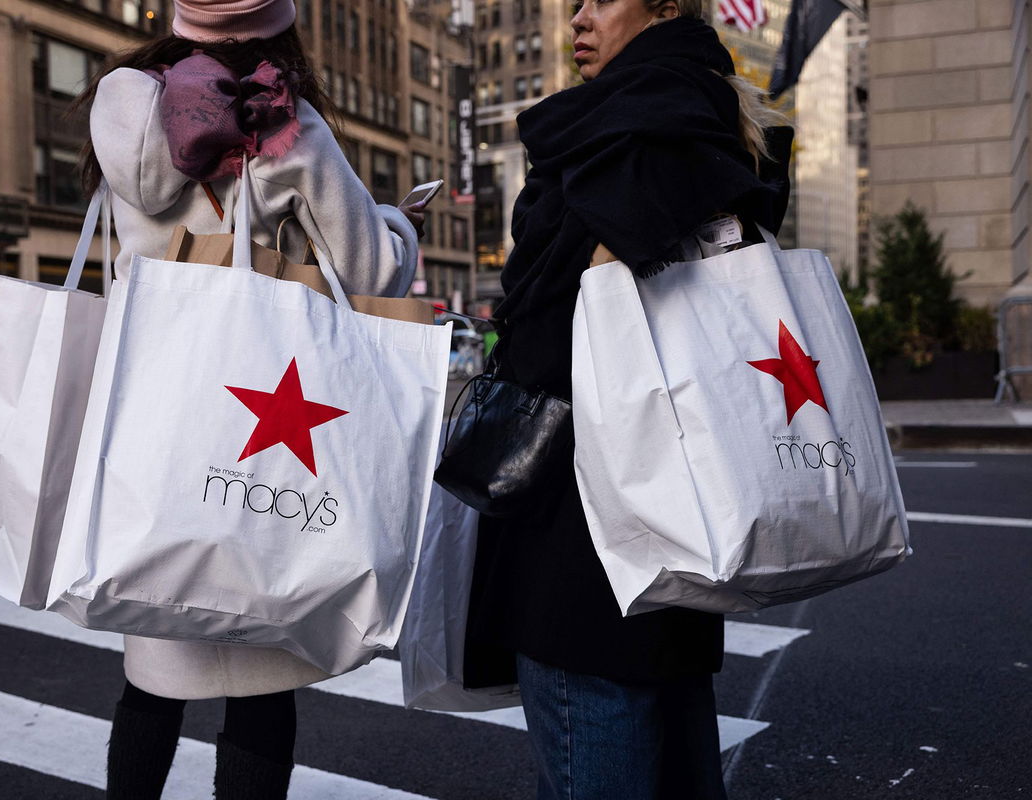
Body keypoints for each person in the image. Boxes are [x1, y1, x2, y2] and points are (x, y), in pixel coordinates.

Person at [76, 0, 425, 796]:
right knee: (264, 696)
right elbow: (369, 273)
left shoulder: (125, 99)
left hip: (159, 425)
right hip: (271, 413)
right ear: (279, 30)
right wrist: (395, 225)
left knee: (153, 680)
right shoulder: (283, 116)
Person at [461, 2, 793, 798]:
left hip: (586, 519)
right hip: (671, 508)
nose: (577, 18)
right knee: (672, 754)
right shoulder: (700, 111)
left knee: (592, 749)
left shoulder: (639, 125)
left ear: (665, 6)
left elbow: (575, 326)